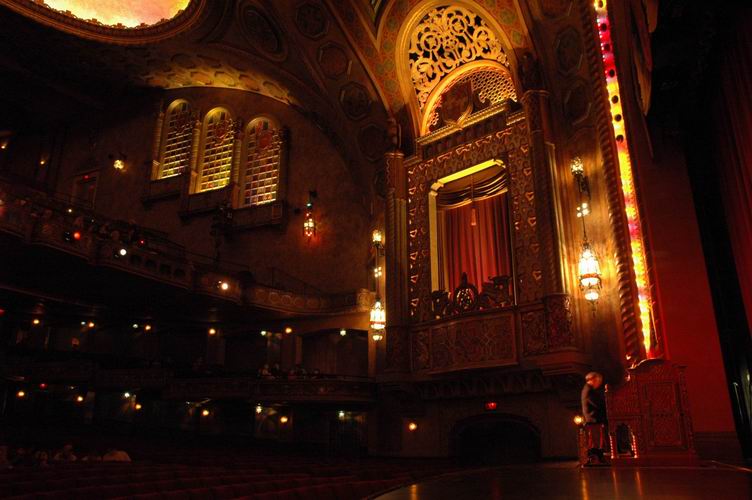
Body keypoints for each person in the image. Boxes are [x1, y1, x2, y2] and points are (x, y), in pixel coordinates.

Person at [581, 371, 607, 465]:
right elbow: (597, 404)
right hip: (593, 419)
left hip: (594, 419)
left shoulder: (588, 389)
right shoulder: (589, 389)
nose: (599, 383)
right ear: (592, 379)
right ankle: (595, 460)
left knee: (597, 441)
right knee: (595, 442)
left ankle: (598, 459)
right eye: (598, 380)